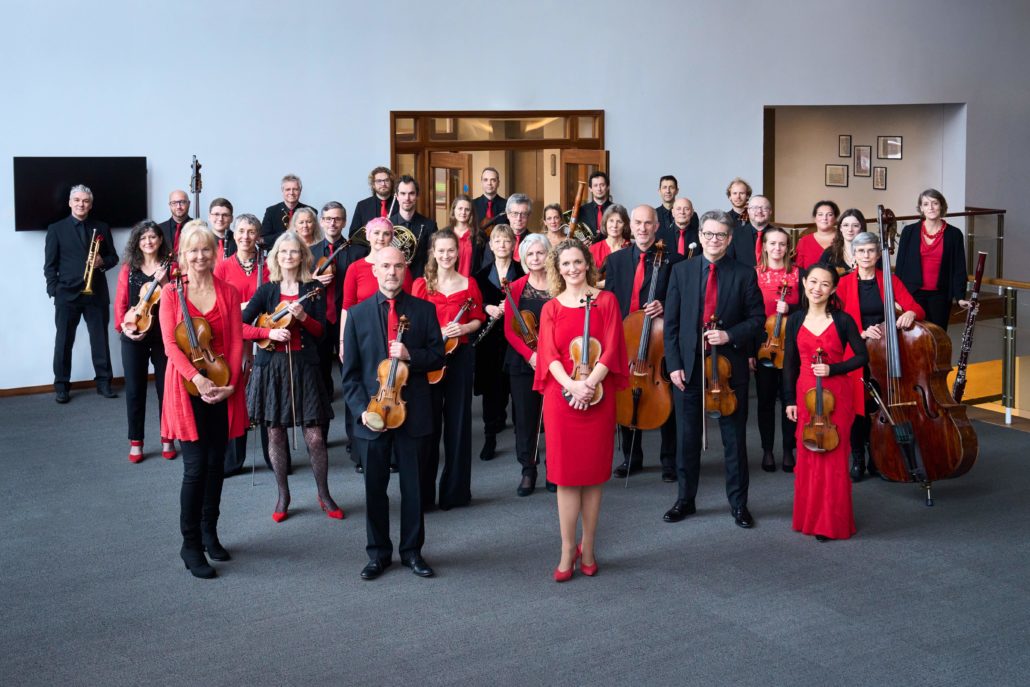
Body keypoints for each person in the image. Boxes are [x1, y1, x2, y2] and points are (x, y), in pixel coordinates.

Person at [341, 246, 446, 580]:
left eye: (398, 266)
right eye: (385, 266)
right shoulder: (357, 315)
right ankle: (378, 554)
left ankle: (412, 551)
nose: (391, 272)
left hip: (411, 413)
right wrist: (362, 412)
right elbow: (351, 376)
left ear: (405, 270)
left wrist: (410, 354)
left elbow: (438, 357)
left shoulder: (424, 311)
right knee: (375, 488)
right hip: (373, 417)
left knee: (414, 488)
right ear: (375, 270)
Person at [663, 210, 765, 527]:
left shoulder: (745, 274)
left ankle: (738, 504)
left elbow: (759, 320)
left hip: (729, 370)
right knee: (687, 438)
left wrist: (730, 334)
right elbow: (672, 324)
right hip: (690, 368)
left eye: (721, 235)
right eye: (708, 234)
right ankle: (685, 500)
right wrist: (674, 365)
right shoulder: (682, 271)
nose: (714, 240)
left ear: (729, 239)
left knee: (733, 441)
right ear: (700, 235)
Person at [535, 238, 627, 581]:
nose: (572, 269)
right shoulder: (551, 308)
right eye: (565, 264)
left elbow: (613, 347)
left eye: (577, 262)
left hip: (598, 395)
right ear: (557, 270)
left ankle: (588, 547)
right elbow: (548, 355)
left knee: (593, 476)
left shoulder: (606, 301)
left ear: (587, 263)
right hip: (562, 399)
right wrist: (572, 385)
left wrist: (589, 384)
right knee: (565, 477)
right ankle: (565, 549)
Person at [159, 221, 246, 579]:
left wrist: (231, 383)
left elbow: (238, 341)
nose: (200, 256)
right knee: (195, 467)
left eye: (206, 249)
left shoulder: (228, 291)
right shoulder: (170, 293)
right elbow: (169, 345)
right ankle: (190, 543)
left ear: (215, 252)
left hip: (222, 381)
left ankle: (210, 531)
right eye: (193, 250)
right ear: (183, 255)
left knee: (216, 464)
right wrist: (196, 377)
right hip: (187, 387)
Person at [242, 232, 342, 523]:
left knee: (314, 437)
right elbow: (241, 326)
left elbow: (321, 331)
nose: (288, 256)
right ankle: (283, 494)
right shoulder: (266, 290)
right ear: (276, 256)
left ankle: (323, 493)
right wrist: (267, 333)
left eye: (294, 252)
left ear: (302, 256)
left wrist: (303, 318)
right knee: (275, 434)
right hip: (271, 368)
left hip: (304, 366)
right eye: (283, 251)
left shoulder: (312, 289)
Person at [783, 263, 868, 542]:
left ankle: (830, 522)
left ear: (832, 289)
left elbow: (861, 357)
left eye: (824, 284)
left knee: (832, 456)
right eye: (813, 281)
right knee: (809, 454)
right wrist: (789, 401)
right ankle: (809, 518)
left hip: (836, 395)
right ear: (804, 282)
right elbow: (789, 365)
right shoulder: (795, 319)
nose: (817, 288)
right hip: (805, 392)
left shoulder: (843, 320)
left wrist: (834, 369)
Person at [836, 232, 925, 481]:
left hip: (886, 353)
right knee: (858, 408)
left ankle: (878, 456)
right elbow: (836, 323)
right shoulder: (843, 284)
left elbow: (916, 307)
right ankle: (858, 457)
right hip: (857, 351)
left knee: (881, 406)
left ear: (878, 255)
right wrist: (861, 333)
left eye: (871, 251)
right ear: (854, 254)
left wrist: (909, 314)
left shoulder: (890, 280)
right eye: (861, 251)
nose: (866, 256)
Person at [603, 205, 683, 482]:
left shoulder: (675, 261)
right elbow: (609, 302)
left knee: (666, 398)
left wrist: (666, 305)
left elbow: (683, 300)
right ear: (630, 225)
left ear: (657, 226)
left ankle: (669, 460)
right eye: (637, 223)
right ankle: (631, 457)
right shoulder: (616, 261)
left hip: (659, 340)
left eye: (648, 223)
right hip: (627, 338)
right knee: (625, 394)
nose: (642, 228)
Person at [413, 230, 486, 510]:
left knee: (458, 425)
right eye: (440, 251)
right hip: (430, 359)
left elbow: (478, 318)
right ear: (433, 252)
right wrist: (435, 332)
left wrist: (464, 327)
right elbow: (413, 323)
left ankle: (454, 493)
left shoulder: (469, 284)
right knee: (427, 425)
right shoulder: (421, 285)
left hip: (460, 358)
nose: (446, 256)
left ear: (458, 253)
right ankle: (423, 494)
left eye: (450, 251)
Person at [44, 184, 119, 403]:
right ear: (70, 202)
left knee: (100, 340)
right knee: (64, 341)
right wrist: (54, 290)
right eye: (77, 200)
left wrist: (102, 261)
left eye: (85, 201)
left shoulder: (102, 227)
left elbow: (113, 257)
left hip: (95, 294)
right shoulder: (56, 229)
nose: (81, 204)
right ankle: (61, 386)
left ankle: (104, 383)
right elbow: (50, 265)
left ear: (91, 204)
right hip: (66, 294)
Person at [214, 213, 270, 474]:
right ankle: (234, 459)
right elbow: (217, 304)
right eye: (241, 231)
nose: (246, 236)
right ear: (233, 234)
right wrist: (245, 307)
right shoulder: (223, 267)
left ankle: (273, 457)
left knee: (266, 394)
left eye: (251, 231)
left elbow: (275, 297)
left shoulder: (267, 265)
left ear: (258, 236)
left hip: (264, 335)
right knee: (236, 395)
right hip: (235, 337)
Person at [114, 220, 173, 462]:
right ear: (138, 242)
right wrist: (124, 329)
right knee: (135, 390)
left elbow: (177, 300)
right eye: (143, 238)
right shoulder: (129, 268)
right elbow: (120, 302)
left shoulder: (171, 267)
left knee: (165, 389)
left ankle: (167, 438)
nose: (148, 241)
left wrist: (165, 281)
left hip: (163, 335)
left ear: (160, 240)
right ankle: (136, 441)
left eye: (153, 237)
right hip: (134, 331)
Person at [504, 233, 552, 496]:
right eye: (530, 254)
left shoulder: (560, 285)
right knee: (525, 417)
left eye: (540, 253)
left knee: (554, 417)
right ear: (523, 259)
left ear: (548, 255)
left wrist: (548, 355)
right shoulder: (515, 287)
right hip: (524, 362)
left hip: (555, 361)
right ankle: (528, 469)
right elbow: (510, 331)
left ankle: (554, 468)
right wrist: (531, 355)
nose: (535, 258)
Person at [752, 226, 801, 473]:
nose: (777, 248)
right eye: (773, 243)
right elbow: (748, 313)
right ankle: (768, 450)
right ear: (764, 246)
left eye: (782, 244)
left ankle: (789, 450)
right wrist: (751, 350)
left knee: (789, 399)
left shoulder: (798, 275)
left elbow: (807, 309)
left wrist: (790, 310)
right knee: (765, 400)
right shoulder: (754, 274)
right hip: (763, 347)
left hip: (791, 347)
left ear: (788, 248)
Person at [473, 224, 524, 460]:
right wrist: (487, 307)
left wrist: (512, 310)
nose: (502, 245)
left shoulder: (524, 274)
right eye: (497, 241)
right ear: (491, 246)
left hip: (516, 341)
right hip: (490, 343)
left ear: (514, 245)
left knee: (518, 393)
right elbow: (473, 304)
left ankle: (521, 442)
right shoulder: (480, 277)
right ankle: (490, 437)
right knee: (492, 394)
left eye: (506, 241)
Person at [894, 189, 971, 330]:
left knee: (937, 336)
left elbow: (959, 268)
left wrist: (960, 296)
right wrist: (896, 296)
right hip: (912, 294)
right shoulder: (909, 232)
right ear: (921, 208)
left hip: (940, 295)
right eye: (926, 204)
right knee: (912, 338)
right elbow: (900, 266)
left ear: (941, 206)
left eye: (935, 203)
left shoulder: (954, 234)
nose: (930, 207)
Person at [390, 174, 438, 279]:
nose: (407, 198)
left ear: (417, 196)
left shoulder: (430, 225)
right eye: (403, 193)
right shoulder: (388, 224)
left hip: (420, 281)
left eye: (411, 193)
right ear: (397, 196)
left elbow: (433, 257)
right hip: (393, 280)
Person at [260, 174, 313, 248]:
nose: (291, 193)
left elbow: (315, 238)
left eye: (295, 189)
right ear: (282, 191)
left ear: (300, 191)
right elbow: (263, 240)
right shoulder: (271, 212)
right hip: (277, 255)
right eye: (288, 189)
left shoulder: (311, 211)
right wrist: (287, 233)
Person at [444, 193, 488, 278]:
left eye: (467, 209)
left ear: (471, 213)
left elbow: (484, 263)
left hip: (472, 283)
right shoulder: (445, 234)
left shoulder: (479, 235)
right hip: (449, 283)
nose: (463, 212)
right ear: (454, 210)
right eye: (460, 208)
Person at [349, 166, 395, 238]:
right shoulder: (362, 206)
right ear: (373, 185)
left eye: (386, 180)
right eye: (379, 181)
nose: (383, 184)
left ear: (391, 183)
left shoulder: (400, 204)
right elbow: (353, 234)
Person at [794, 201, 840, 272]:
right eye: (820, 214)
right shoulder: (804, 241)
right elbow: (799, 270)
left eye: (829, 215)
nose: (824, 218)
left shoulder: (843, 238)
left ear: (835, 218)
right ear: (814, 218)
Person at [729, 195, 774, 267]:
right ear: (748, 211)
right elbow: (729, 264)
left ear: (770, 211)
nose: (759, 211)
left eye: (764, 208)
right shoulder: (735, 234)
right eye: (755, 208)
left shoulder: (780, 235)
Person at [588, 204, 631, 279]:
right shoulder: (593, 249)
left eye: (619, 222)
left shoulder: (631, 249)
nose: (614, 225)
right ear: (605, 223)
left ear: (625, 225)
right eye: (611, 221)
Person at [820, 208, 866, 275]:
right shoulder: (829, 253)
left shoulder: (870, 252)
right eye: (846, 225)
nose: (850, 229)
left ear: (861, 228)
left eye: (855, 225)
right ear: (840, 228)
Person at [578, 171, 613, 238]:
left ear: (608, 187)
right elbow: (579, 233)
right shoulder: (582, 211)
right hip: (589, 248)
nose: (599, 189)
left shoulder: (616, 210)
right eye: (595, 185)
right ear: (590, 189)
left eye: (602, 185)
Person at [158, 189, 193, 256]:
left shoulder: (199, 227)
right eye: (174, 203)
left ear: (189, 204)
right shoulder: (159, 228)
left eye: (182, 202)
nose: (178, 206)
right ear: (170, 205)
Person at [473, 167, 507, 232]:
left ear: (498, 183)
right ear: (481, 182)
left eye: (493, 180)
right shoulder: (472, 204)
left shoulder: (507, 205)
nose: (489, 183)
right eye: (485, 180)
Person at [207, 198, 236, 262]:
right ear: (209, 217)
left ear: (231, 218)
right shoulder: (201, 240)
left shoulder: (240, 241)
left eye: (225, 215)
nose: (220, 219)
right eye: (216, 214)